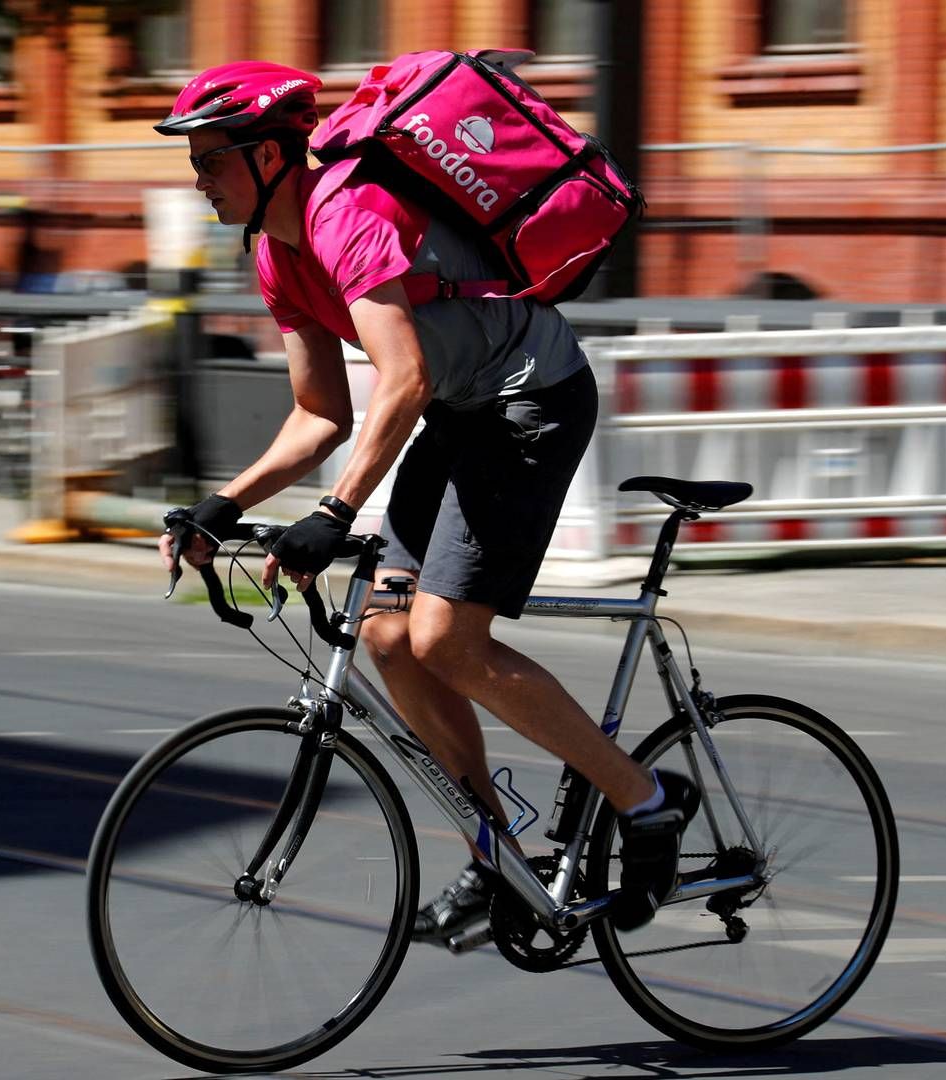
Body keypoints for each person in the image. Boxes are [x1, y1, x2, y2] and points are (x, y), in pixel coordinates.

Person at [154, 61, 698, 944]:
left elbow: (399, 378)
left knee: (446, 635)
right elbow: (321, 412)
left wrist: (333, 516)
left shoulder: (345, 214)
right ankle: (501, 856)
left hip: (530, 400)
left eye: (211, 160)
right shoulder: (274, 253)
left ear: (266, 157)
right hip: (455, 409)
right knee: (383, 634)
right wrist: (221, 503)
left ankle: (648, 801)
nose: (200, 180)